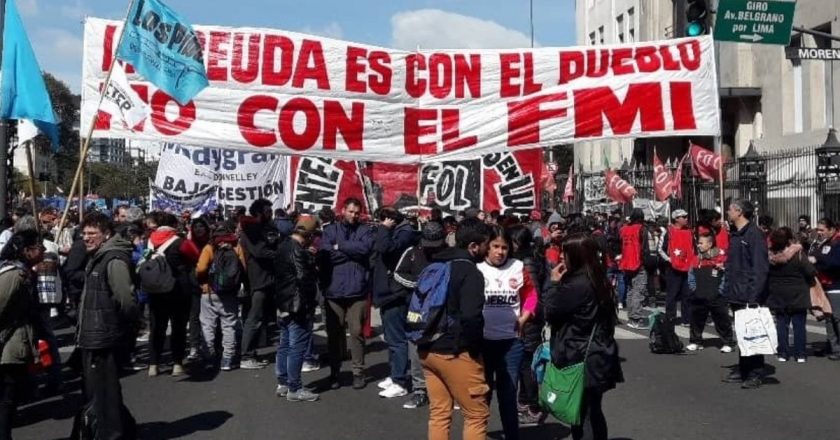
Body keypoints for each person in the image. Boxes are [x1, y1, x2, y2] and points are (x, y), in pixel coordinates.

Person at [543, 233, 623, 440]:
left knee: (582, 414)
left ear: (577, 256)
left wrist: (552, 284)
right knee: (592, 410)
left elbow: (550, 311)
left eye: (565, 252)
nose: (561, 256)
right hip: (598, 352)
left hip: (580, 355)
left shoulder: (577, 285)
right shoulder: (597, 278)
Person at [419, 218, 491, 440]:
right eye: (486, 244)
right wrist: (475, 350)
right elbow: (471, 317)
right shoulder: (470, 273)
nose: (488, 250)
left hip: (427, 348)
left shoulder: (435, 264)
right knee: (476, 414)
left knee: (440, 413)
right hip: (456, 351)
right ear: (474, 246)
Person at [77, 214, 139, 439]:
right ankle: (124, 430)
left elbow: (125, 298)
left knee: (105, 392)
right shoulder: (98, 256)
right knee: (102, 391)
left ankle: (113, 434)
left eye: (92, 233)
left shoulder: (112, 259)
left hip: (103, 335)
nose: (86, 238)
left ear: (106, 234)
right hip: (94, 334)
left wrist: (124, 325)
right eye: (84, 233)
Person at [476, 226, 536, 440]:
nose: (500, 252)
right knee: (482, 395)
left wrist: (524, 317)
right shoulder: (477, 269)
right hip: (483, 343)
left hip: (511, 344)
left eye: (504, 247)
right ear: (486, 247)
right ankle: (477, 434)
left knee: (508, 396)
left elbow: (531, 295)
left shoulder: (518, 266)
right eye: (495, 246)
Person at [319, 198, 374, 390]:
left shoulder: (365, 230)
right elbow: (326, 254)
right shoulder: (330, 230)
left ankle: (358, 371)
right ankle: (335, 372)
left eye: (357, 212)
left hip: (357, 290)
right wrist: (350, 250)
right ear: (343, 210)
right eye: (351, 211)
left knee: (357, 332)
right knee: (334, 334)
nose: (354, 215)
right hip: (334, 291)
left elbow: (365, 249)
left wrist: (340, 246)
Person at [393, 221, 449, 410]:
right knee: (415, 347)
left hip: (442, 310)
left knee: (443, 347)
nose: (432, 250)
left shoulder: (450, 254)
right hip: (416, 309)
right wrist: (419, 285)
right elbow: (398, 274)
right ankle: (419, 389)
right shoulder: (412, 252)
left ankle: (446, 388)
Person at [0, 230, 45, 440]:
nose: (44, 250)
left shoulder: (24, 272)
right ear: (26, 251)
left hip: (16, 342)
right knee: (6, 397)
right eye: (39, 246)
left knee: (12, 395)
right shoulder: (14, 274)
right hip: (8, 345)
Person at [722, 199, 769, 389]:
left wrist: (754, 296)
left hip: (749, 294)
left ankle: (755, 372)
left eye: (730, 209)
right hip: (736, 291)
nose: (727, 212)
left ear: (739, 212)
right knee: (742, 334)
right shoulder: (734, 234)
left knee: (754, 334)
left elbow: (760, 268)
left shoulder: (754, 234)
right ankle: (743, 368)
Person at [146, 213, 201, 377]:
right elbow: (195, 255)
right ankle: (177, 363)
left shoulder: (149, 241)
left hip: (155, 289)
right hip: (178, 290)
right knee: (178, 327)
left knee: (157, 327)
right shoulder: (180, 242)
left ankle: (153, 364)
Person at [372, 207, 418, 399]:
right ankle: (394, 374)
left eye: (385, 218)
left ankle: (399, 380)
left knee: (397, 338)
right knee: (391, 337)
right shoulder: (393, 231)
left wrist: (384, 229)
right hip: (386, 291)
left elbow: (385, 248)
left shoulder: (406, 233)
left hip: (396, 293)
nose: (382, 222)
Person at [507, 225, 549, 427]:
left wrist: (525, 315)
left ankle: (532, 406)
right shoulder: (531, 257)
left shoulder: (526, 262)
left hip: (529, 317)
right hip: (530, 316)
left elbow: (533, 293)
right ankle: (525, 401)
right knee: (526, 360)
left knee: (527, 362)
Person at [275, 217, 320, 402]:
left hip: (283, 303)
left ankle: (283, 383)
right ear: (308, 235)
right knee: (297, 347)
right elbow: (303, 278)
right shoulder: (297, 251)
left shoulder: (283, 246)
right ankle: (294, 387)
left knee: (285, 344)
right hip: (297, 305)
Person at [196, 221, 244, 371]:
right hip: (229, 293)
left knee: (208, 326)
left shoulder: (210, 247)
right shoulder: (236, 246)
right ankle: (227, 359)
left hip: (209, 292)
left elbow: (201, 268)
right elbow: (243, 268)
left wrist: (203, 280)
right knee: (229, 326)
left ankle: (208, 357)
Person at [239, 199, 279, 370]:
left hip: (269, 279)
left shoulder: (268, 227)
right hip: (258, 280)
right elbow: (259, 251)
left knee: (262, 318)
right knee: (254, 318)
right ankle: (246, 355)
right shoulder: (250, 230)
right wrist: (279, 254)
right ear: (259, 212)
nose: (271, 214)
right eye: (267, 211)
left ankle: (252, 353)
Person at [766, 227, 814, 363]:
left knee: (782, 324)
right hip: (798, 292)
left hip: (778, 292)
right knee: (799, 324)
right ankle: (800, 354)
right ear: (789, 239)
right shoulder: (798, 253)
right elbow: (810, 271)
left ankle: (783, 353)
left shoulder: (770, 255)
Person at [686, 234, 734, 352]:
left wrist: (720, 290)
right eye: (699, 243)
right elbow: (691, 274)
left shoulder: (720, 258)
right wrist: (694, 289)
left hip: (716, 295)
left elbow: (726, 276)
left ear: (710, 244)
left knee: (721, 319)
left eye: (701, 243)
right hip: (699, 294)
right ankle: (696, 341)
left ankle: (727, 342)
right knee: (696, 318)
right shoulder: (697, 258)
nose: (699, 245)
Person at [808, 218, 840, 360]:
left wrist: (819, 260)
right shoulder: (823, 243)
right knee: (828, 317)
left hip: (836, 285)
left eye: (822, 230)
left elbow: (835, 263)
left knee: (837, 318)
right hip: (824, 284)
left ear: (832, 229)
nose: (819, 232)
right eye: (818, 230)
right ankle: (833, 347)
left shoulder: (837, 243)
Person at [658, 209, 695, 326]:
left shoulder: (689, 231)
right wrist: (670, 260)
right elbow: (660, 249)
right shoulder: (668, 232)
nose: (686, 218)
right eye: (683, 217)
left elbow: (694, 248)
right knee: (672, 294)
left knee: (687, 294)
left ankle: (687, 319)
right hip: (673, 269)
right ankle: (670, 317)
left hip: (687, 268)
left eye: (686, 216)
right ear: (676, 219)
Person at [618, 209, 651, 329]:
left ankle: (631, 317)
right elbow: (645, 248)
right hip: (638, 262)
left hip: (626, 262)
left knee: (631, 290)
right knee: (639, 290)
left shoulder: (624, 228)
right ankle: (636, 318)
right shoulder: (642, 229)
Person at [187, 217, 211, 362]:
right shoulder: (188, 245)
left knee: (211, 318)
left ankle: (211, 344)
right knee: (194, 316)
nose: (198, 229)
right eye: (196, 226)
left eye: (201, 226)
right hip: (194, 285)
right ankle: (194, 345)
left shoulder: (212, 243)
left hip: (210, 285)